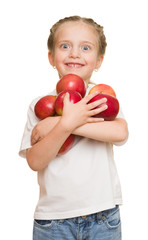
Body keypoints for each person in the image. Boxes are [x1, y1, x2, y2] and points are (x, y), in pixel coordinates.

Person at [19, 16, 128, 240]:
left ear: (99, 61)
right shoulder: (40, 106)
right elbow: (35, 161)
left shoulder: (100, 97)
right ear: (51, 57)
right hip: (53, 221)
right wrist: (66, 122)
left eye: (85, 47)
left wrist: (64, 123)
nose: (74, 54)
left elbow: (120, 133)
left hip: (103, 215)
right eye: (65, 46)